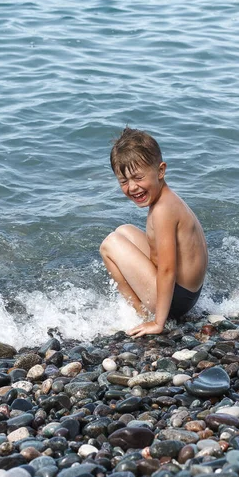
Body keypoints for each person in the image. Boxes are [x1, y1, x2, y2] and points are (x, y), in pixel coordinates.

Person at [100, 127, 208, 338]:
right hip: (188, 294)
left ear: (160, 171)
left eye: (138, 178)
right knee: (124, 231)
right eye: (124, 181)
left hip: (175, 301)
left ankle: (142, 314)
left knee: (109, 244)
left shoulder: (163, 211)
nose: (132, 188)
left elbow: (167, 269)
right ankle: (148, 312)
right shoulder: (169, 199)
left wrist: (159, 323)